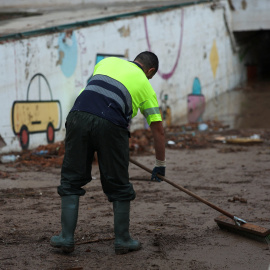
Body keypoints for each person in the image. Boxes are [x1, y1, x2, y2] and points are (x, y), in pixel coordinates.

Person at [50, 51, 166, 255]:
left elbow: (96, 93)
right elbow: (158, 129)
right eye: (151, 76)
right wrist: (160, 164)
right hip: (112, 125)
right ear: (151, 71)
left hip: (78, 117)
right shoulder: (146, 87)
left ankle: (66, 238)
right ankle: (122, 240)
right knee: (119, 184)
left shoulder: (107, 62)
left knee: (71, 180)